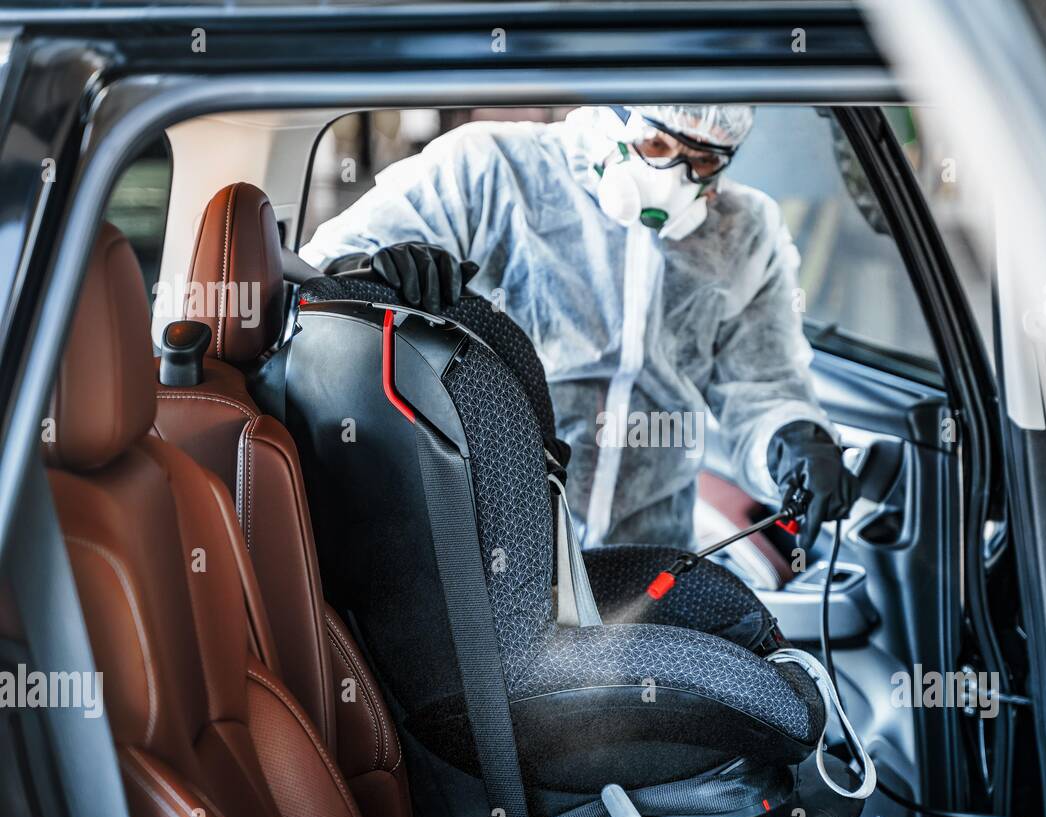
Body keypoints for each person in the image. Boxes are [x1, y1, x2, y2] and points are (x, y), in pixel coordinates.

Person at [301, 105, 856, 550]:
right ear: (608, 116)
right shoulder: (489, 171)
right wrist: (377, 272)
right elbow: (317, 280)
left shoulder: (742, 232)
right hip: (493, 548)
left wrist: (793, 439)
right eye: (657, 145)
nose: (675, 178)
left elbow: (763, 387)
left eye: (703, 160)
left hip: (649, 553)